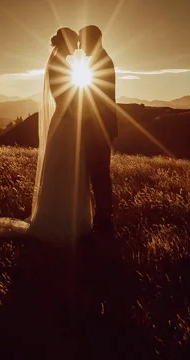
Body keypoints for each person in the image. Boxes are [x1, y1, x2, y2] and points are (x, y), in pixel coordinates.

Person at [0, 27, 93, 243]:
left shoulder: (59, 63)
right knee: (66, 168)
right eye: (75, 41)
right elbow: (66, 97)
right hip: (67, 122)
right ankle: (62, 220)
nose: (78, 46)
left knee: (65, 169)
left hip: (66, 121)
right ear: (67, 42)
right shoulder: (60, 64)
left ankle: (65, 217)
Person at [79, 24, 117, 235]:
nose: (81, 48)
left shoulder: (100, 62)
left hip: (99, 128)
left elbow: (96, 98)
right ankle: (103, 219)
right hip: (100, 126)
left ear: (92, 40)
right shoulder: (98, 60)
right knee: (99, 174)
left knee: (100, 174)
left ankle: (104, 222)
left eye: (82, 42)